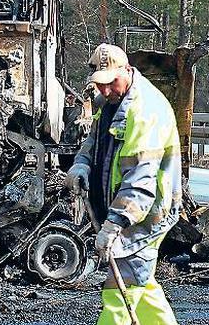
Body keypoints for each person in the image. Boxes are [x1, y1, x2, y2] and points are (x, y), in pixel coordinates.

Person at [64, 43, 182, 325]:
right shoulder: (110, 102)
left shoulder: (144, 112)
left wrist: (114, 225)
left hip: (146, 213)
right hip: (127, 211)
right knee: (143, 283)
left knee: (120, 291)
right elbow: (95, 141)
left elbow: (140, 182)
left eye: (110, 83)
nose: (104, 91)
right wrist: (82, 163)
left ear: (127, 71)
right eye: (99, 84)